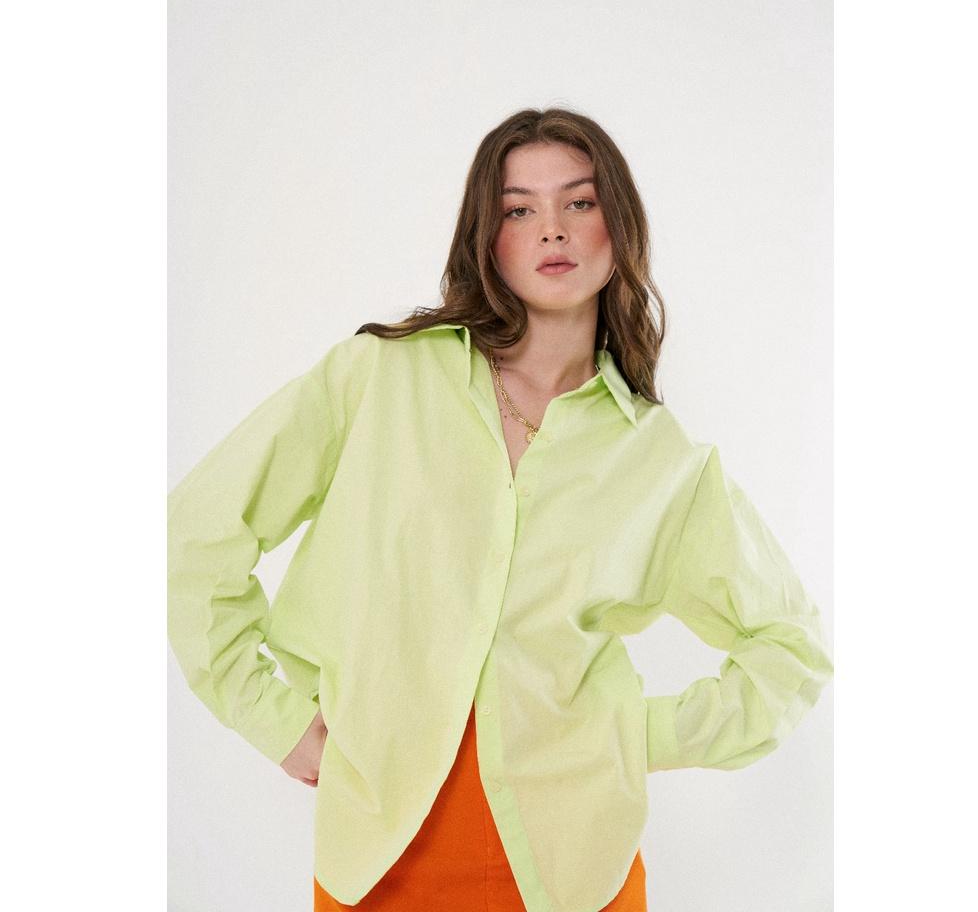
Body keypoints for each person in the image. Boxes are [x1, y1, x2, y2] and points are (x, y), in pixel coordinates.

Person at [167, 107, 834, 912]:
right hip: (381, 864)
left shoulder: (660, 459)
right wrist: (271, 718)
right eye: (519, 210)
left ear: (620, 227)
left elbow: (790, 649)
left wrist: (630, 736)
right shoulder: (380, 379)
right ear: (486, 238)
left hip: (577, 874)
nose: (553, 228)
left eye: (580, 202)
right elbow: (196, 535)